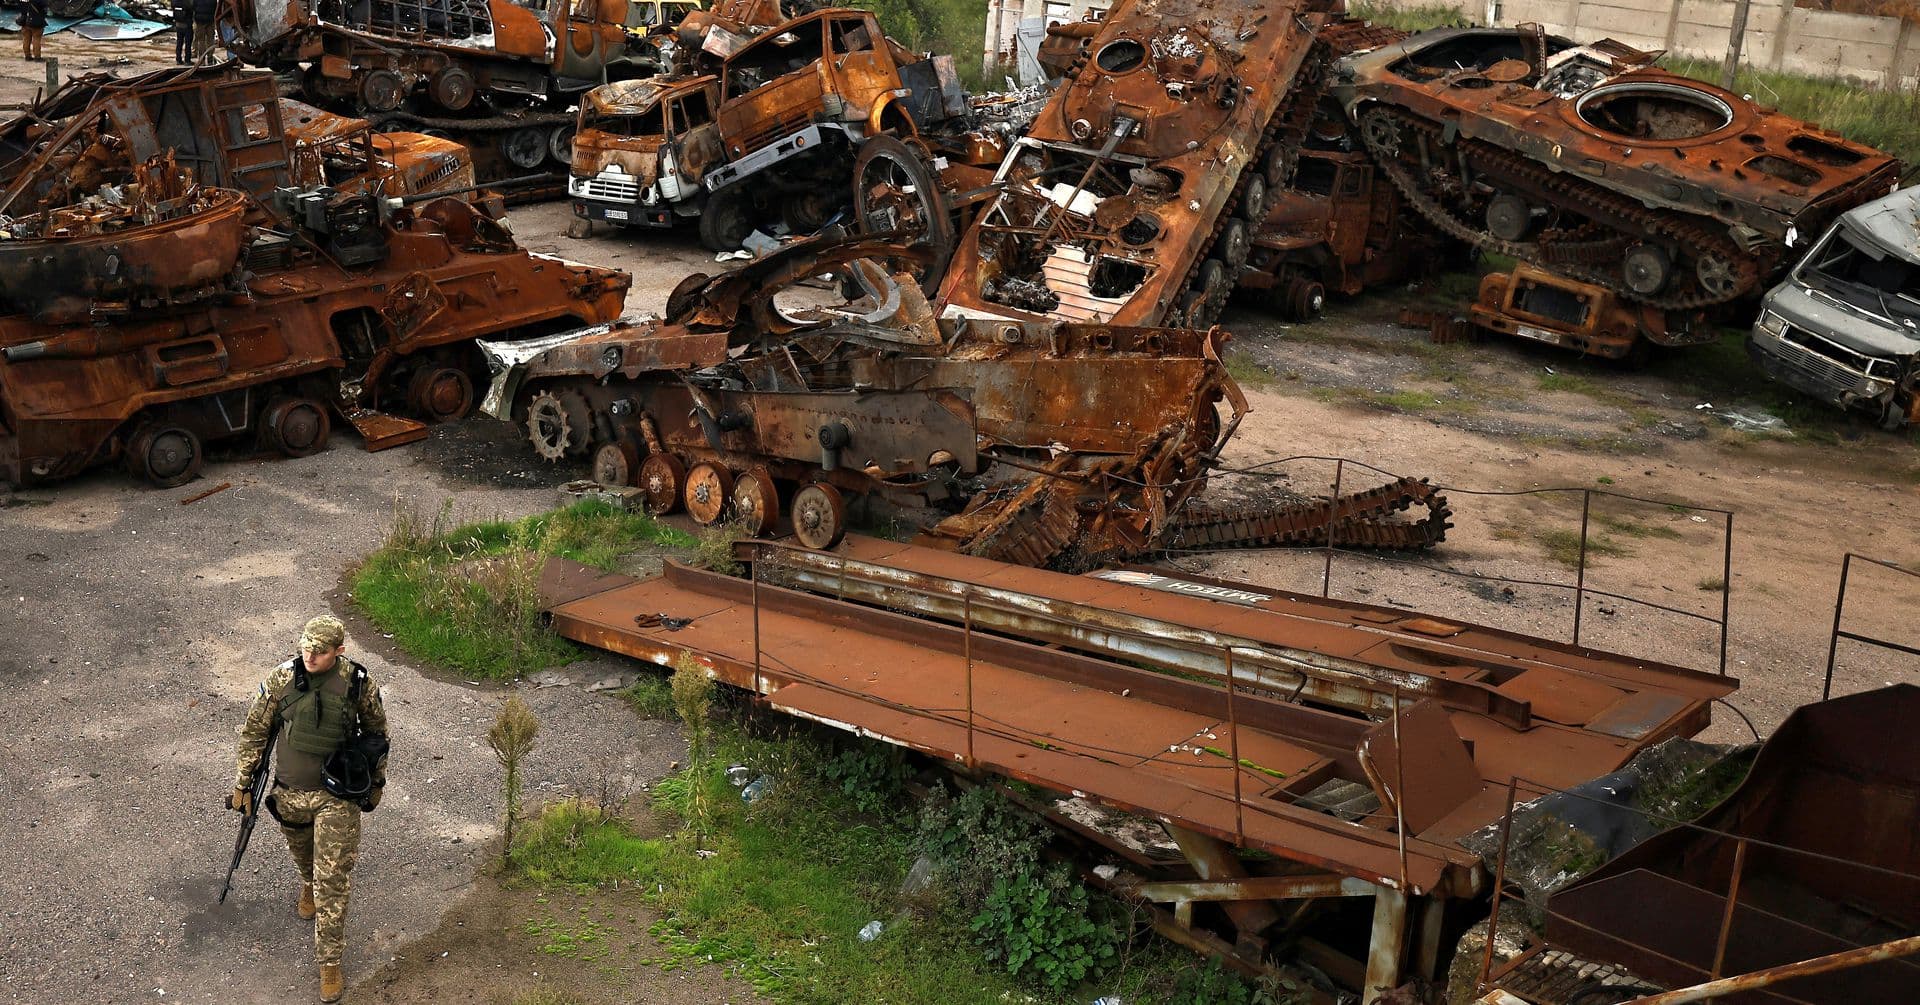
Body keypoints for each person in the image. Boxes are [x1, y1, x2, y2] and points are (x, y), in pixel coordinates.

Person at [231, 615, 389, 1004]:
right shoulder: (282, 679)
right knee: (304, 857)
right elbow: (254, 732)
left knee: (332, 878)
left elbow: (376, 735)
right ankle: (307, 882)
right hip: (289, 792)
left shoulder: (357, 683)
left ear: (339, 651)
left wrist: (377, 781)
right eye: (305, 648)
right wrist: (243, 783)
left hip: (338, 795)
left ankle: (330, 962)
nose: (310, 656)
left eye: (319, 651)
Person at [172, 0, 193, 64]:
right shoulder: (187, 2)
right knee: (188, 44)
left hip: (178, 25)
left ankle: (178, 59)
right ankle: (187, 60)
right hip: (187, 25)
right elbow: (191, 9)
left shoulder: (174, 1)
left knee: (179, 43)